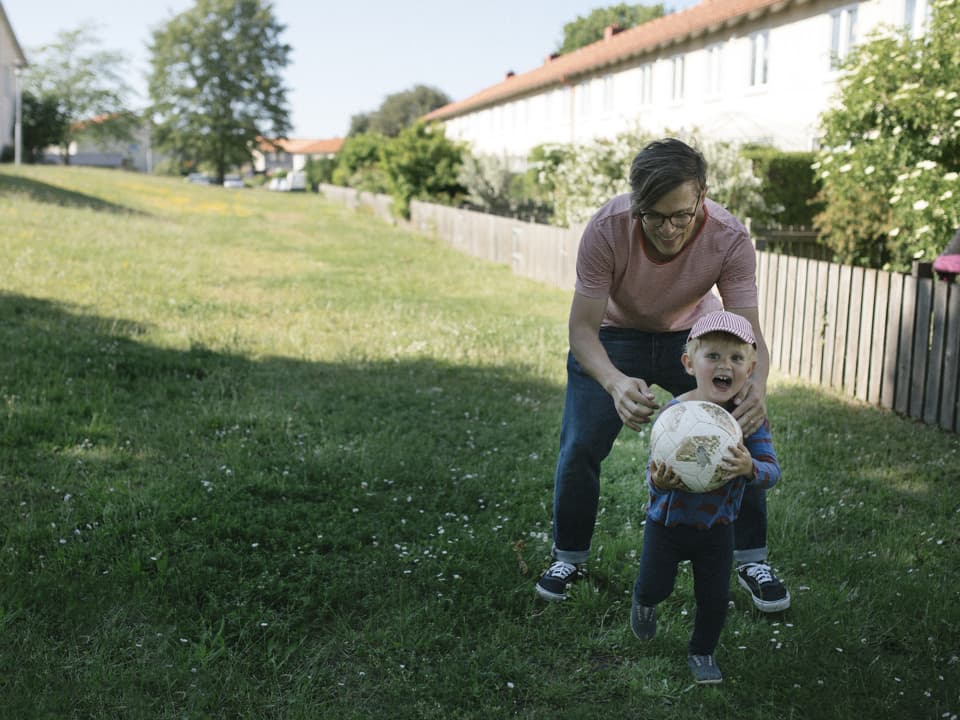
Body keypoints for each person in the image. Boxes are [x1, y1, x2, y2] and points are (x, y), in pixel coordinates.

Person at [535, 138, 790, 612]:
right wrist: (614, 382)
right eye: (654, 215)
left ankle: (752, 560)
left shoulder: (729, 237)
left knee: (739, 434)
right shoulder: (608, 229)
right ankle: (569, 557)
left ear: (702, 195)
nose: (669, 229)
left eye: (682, 215)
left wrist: (756, 387)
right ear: (635, 202)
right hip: (614, 335)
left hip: (694, 336)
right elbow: (581, 330)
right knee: (579, 445)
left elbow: (747, 334)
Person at [630, 310, 782, 685]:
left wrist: (749, 469)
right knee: (655, 585)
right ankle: (644, 601)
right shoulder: (676, 415)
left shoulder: (749, 420)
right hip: (666, 523)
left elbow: (771, 471)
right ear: (688, 362)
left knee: (714, 599)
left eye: (735, 358)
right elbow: (654, 471)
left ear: (751, 367)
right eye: (712, 356)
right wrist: (659, 483)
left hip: (717, 528)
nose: (723, 365)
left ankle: (702, 652)